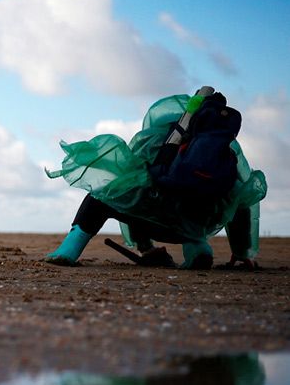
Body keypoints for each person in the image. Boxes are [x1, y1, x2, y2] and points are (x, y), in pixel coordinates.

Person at [44, 88, 266, 269]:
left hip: (151, 218)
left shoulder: (153, 138)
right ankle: (198, 249)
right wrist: (241, 251)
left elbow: (127, 186)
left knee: (109, 195)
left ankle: (70, 249)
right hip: (192, 226)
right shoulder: (225, 152)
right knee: (194, 213)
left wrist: (143, 246)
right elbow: (242, 200)